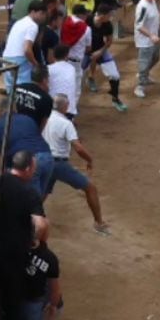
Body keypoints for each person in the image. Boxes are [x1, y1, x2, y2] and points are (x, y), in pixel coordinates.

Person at [0, 150, 49, 320]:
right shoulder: (28, 192)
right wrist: (34, 240)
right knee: (13, 291)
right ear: (27, 169)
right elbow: (40, 223)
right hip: (14, 251)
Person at [42, 94, 110, 233]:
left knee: (42, 194)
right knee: (90, 188)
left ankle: (27, 219)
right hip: (58, 164)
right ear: (65, 107)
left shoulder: (44, 118)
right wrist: (89, 159)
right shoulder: (66, 123)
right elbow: (78, 148)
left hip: (43, 160)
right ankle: (99, 223)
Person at [0, 99, 54, 197]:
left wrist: (2, 180)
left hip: (28, 163)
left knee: (30, 202)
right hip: (47, 157)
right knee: (36, 201)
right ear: (15, 110)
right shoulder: (28, 119)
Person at [83, 5, 127, 111]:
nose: (111, 17)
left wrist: (100, 52)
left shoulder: (107, 25)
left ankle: (115, 99)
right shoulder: (86, 20)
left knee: (114, 75)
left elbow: (109, 41)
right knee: (74, 76)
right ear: (102, 15)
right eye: (109, 15)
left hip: (100, 50)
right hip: (83, 52)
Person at [2, 0, 47, 93]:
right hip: (20, 61)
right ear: (33, 12)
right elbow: (27, 50)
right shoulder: (33, 26)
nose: (44, 16)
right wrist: (35, 64)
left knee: (11, 92)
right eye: (42, 13)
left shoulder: (19, 22)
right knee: (24, 91)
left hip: (6, 58)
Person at [134, 0, 160, 99]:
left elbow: (154, 19)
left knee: (156, 57)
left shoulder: (152, 2)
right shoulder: (142, 6)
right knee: (144, 63)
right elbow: (139, 26)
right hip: (145, 41)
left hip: (153, 38)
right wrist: (151, 36)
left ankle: (144, 75)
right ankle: (140, 86)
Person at [14, 66, 54, 130]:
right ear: (44, 80)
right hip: (30, 132)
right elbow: (43, 125)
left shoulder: (18, 87)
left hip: (13, 126)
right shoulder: (47, 99)